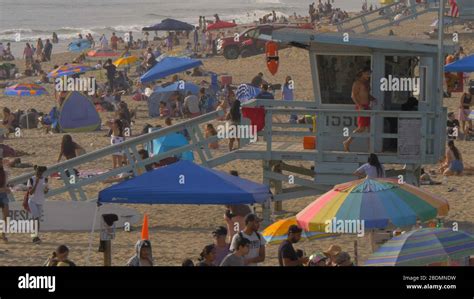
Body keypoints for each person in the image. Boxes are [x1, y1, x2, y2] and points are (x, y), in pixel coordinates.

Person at [343, 67, 376, 152]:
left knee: (370, 128)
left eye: (370, 73)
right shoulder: (357, 83)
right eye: (367, 73)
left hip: (367, 106)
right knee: (361, 128)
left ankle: (370, 148)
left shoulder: (367, 83)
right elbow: (353, 96)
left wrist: (373, 99)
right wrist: (359, 105)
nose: (369, 75)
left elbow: (366, 94)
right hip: (361, 107)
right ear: (362, 73)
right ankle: (347, 142)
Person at [27, 165, 49, 244]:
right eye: (37, 172)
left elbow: (45, 191)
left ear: (42, 172)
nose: (38, 174)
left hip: (40, 201)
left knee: (37, 220)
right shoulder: (31, 179)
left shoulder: (45, 179)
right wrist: (36, 183)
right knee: (35, 219)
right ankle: (34, 237)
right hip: (32, 201)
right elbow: (31, 192)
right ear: (36, 171)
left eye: (40, 173)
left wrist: (46, 189)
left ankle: (36, 236)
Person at [0, 157, 11, 243]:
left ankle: (2, 233)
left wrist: (7, 188)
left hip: (3, 195)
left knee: (6, 215)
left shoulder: (4, 172)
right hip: (2, 192)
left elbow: (5, 184)